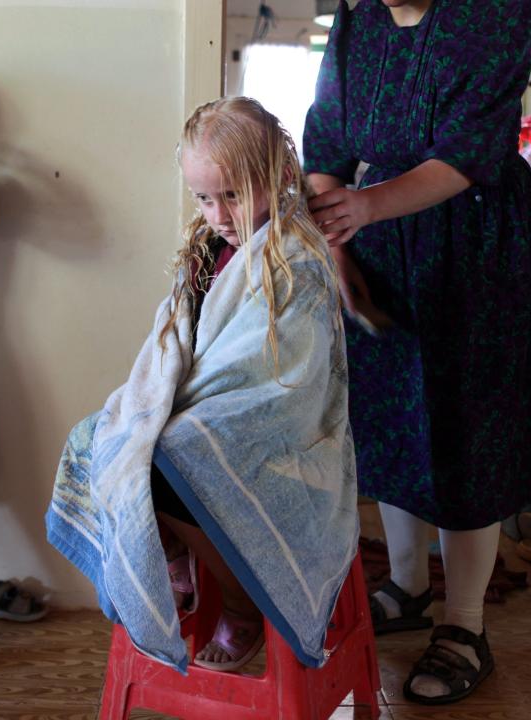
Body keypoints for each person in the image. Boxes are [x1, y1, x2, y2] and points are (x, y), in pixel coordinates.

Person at [46, 97, 359, 674]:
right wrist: (155, 398)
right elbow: (174, 341)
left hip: (280, 431)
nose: (217, 213)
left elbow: (285, 374)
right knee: (101, 437)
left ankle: (241, 606)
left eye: (233, 195)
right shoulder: (206, 247)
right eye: (203, 197)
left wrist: (185, 411)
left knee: (178, 451)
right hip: (201, 408)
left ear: (280, 175)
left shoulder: (296, 256)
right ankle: (170, 553)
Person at [303, 0, 531, 705]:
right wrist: (338, 243)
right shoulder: (359, 24)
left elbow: (472, 149)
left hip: (474, 240)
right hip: (379, 242)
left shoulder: (499, 14)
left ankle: (465, 625)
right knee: (389, 422)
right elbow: (325, 145)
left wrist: (365, 208)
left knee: (467, 425)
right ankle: (406, 587)